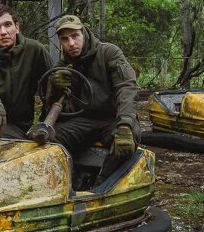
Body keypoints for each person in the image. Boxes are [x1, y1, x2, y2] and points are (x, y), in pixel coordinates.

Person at [35, 14, 139, 180]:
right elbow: (51, 107)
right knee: (50, 140)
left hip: (111, 118)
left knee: (125, 143)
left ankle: (103, 185)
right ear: (60, 43)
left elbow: (127, 88)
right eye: (65, 39)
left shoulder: (109, 53)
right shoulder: (62, 66)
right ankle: (69, 182)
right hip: (81, 121)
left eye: (75, 36)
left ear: (84, 33)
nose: (71, 43)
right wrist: (55, 86)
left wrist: (125, 123)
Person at [0, 4, 52, 138]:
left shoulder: (34, 50)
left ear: (17, 27)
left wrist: (44, 123)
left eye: (8, 24)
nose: (3, 32)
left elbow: (51, 87)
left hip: (20, 125)